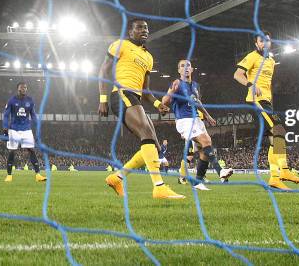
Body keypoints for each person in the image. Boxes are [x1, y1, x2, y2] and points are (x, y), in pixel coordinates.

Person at [100, 19, 184, 200]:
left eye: (146, 28)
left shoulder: (148, 57)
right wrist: (103, 99)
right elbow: (103, 71)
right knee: (146, 133)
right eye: (139, 28)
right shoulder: (120, 45)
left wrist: (156, 104)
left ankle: (117, 177)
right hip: (122, 94)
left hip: (135, 98)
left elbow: (145, 91)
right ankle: (159, 187)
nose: (144, 30)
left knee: (153, 144)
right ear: (130, 31)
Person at [234, 31, 299, 190]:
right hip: (255, 101)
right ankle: (284, 171)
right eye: (261, 41)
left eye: (268, 41)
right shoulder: (252, 56)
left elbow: (268, 84)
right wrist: (250, 85)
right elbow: (237, 75)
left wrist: (271, 101)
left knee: (276, 137)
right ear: (256, 44)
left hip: (266, 101)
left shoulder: (271, 61)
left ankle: (274, 177)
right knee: (279, 131)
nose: (265, 43)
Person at [162, 59, 233, 190]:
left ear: (192, 69)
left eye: (188, 65)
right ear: (179, 70)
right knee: (205, 141)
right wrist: (170, 96)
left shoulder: (195, 85)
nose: (185, 68)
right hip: (184, 120)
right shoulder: (177, 83)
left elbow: (197, 102)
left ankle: (197, 182)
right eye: (182, 66)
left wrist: (207, 115)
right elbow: (165, 100)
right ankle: (220, 171)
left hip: (196, 119)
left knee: (204, 150)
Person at [3, 82, 47, 183]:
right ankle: (9, 175)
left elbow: (33, 114)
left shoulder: (30, 100)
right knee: (12, 151)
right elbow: (6, 115)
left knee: (31, 150)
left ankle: (38, 175)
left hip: (26, 129)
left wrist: (37, 126)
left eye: (25, 88)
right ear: (17, 89)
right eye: (22, 87)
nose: (24, 89)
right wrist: (5, 126)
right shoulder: (12, 100)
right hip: (14, 129)